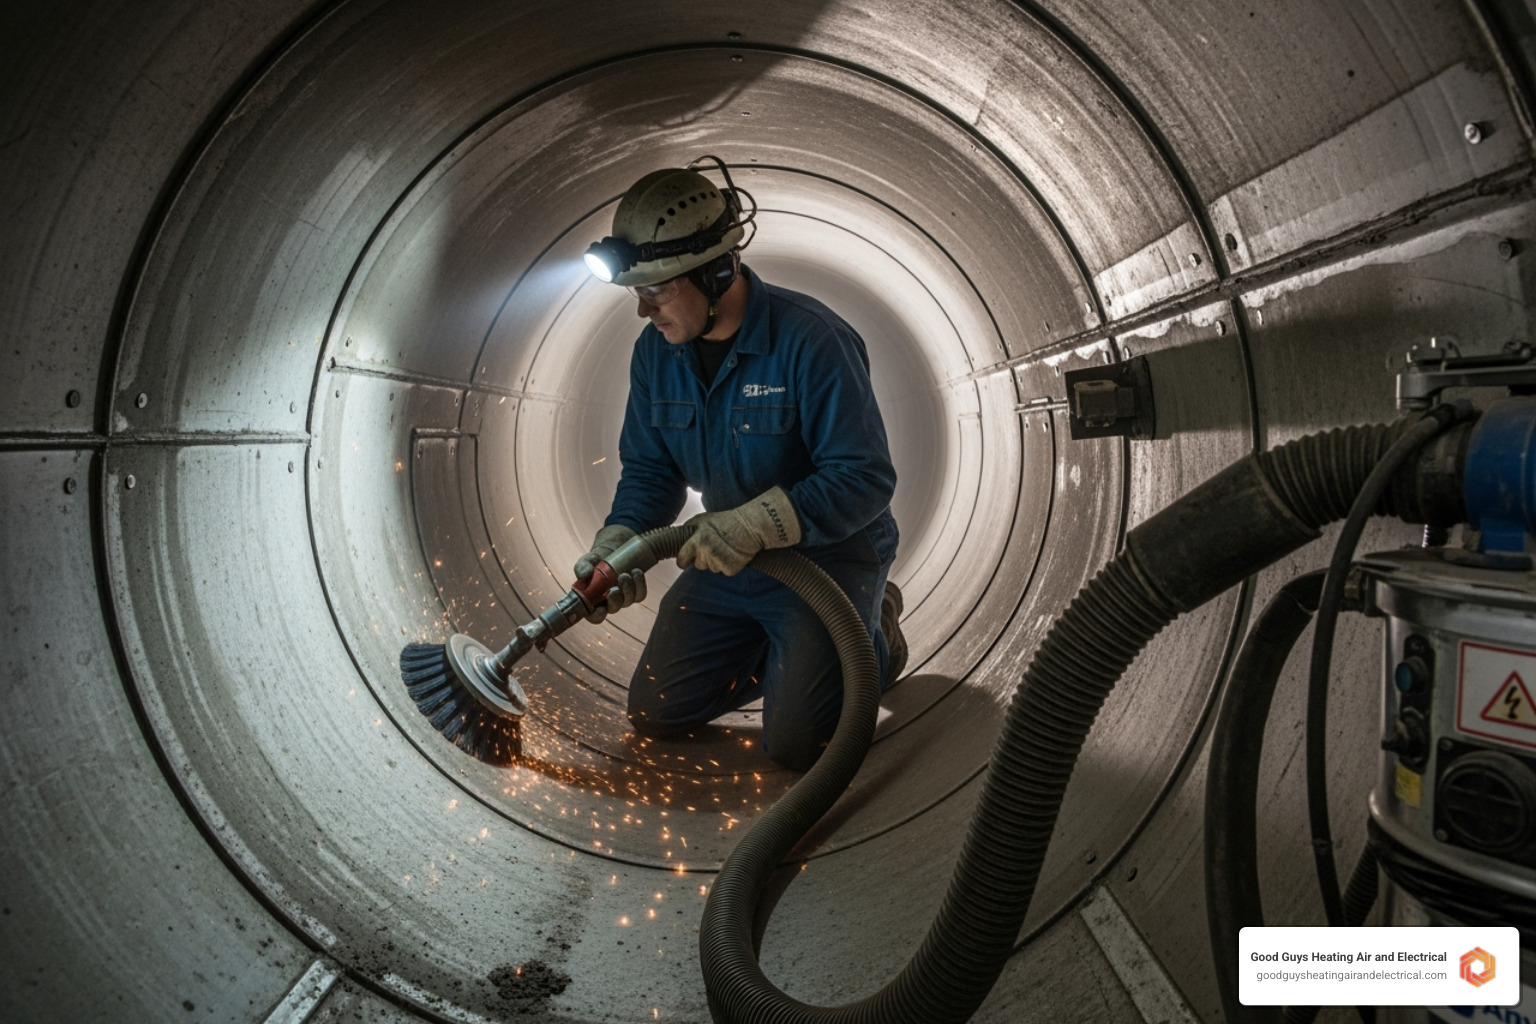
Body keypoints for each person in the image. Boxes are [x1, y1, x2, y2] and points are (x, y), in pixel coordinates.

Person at [575, 156, 906, 771]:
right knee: (657, 711)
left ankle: (875, 627)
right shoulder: (656, 354)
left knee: (800, 746)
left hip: (828, 558)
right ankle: (787, 651)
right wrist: (618, 540)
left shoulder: (813, 340)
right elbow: (652, 471)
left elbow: (866, 479)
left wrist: (756, 524)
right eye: (636, 293)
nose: (643, 312)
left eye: (656, 290)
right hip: (733, 560)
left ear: (717, 271)